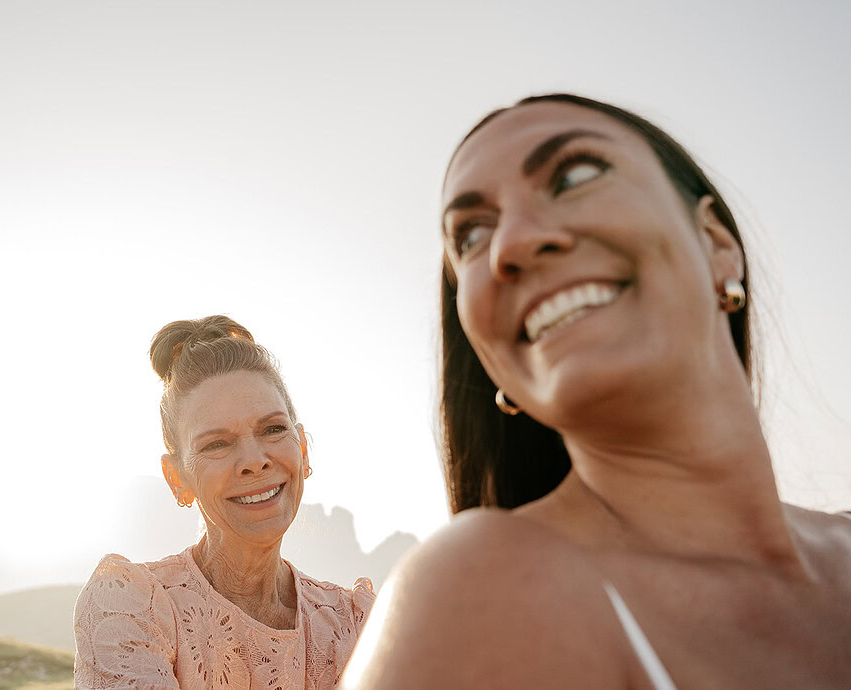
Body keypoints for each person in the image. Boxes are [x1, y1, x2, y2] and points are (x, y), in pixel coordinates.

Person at [341, 94, 851, 689]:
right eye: (472, 235)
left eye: (575, 174)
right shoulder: (480, 591)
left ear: (716, 242)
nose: (512, 243)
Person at [74, 315, 375, 689]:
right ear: (177, 478)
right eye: (216, 443)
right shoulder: (133, 608)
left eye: (273, 429)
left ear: (302, 450)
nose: (254, 460)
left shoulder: (356, 624)